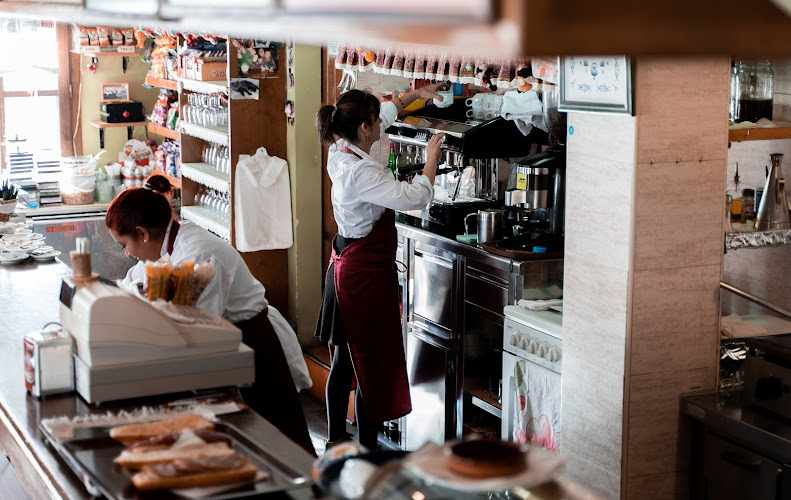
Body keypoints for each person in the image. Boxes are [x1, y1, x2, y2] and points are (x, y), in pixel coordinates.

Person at [105, 185, 315, 455]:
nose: (126, 253)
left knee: (280, 439)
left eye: (124, 245)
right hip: (226, 341)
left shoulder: (198, 255)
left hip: (252, 345)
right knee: (251, 441)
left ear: (142, 234)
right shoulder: (169, 243)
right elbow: (137, 278)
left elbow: (196, 327)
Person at [315, 87, 444, 450]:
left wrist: (413, 95)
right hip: (361, 276)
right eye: (375, 123)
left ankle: (337, 442)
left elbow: (384, 116)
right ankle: (366, 448)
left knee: (345, 359)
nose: (379, 127)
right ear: (365, 126)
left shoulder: (339, 150)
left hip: (346, 263)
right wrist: (431, 159)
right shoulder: (361, 172)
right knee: (367, 360)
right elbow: (414, 197)